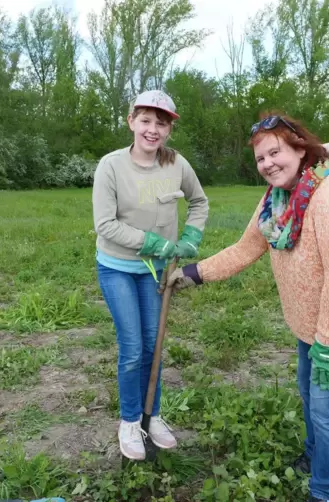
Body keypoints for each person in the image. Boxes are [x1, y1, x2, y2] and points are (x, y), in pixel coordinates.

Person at [163, 113, 329, 502]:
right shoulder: (277, 198)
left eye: (275, 152)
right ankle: (314, 455)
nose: (268, 164)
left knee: (327, 408)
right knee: (309, 393)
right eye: (260, 159)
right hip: (309, 320)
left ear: (300, 149)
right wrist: (194, 273)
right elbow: (248, 246)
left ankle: (324, 491)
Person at [91, 89, 209, 461]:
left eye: (161, 123)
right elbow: (105, 224)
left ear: (169, 130)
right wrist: (154, 243)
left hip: (157, 273)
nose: (152, 129)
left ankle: (151, 416)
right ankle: (129, 421)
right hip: (118, 269)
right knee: (132, 348)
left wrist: (191, 235)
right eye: (145, 120)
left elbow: (199, 201)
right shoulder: (111, 166)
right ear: (131, 122)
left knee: (152, 344)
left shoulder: (176, 165)